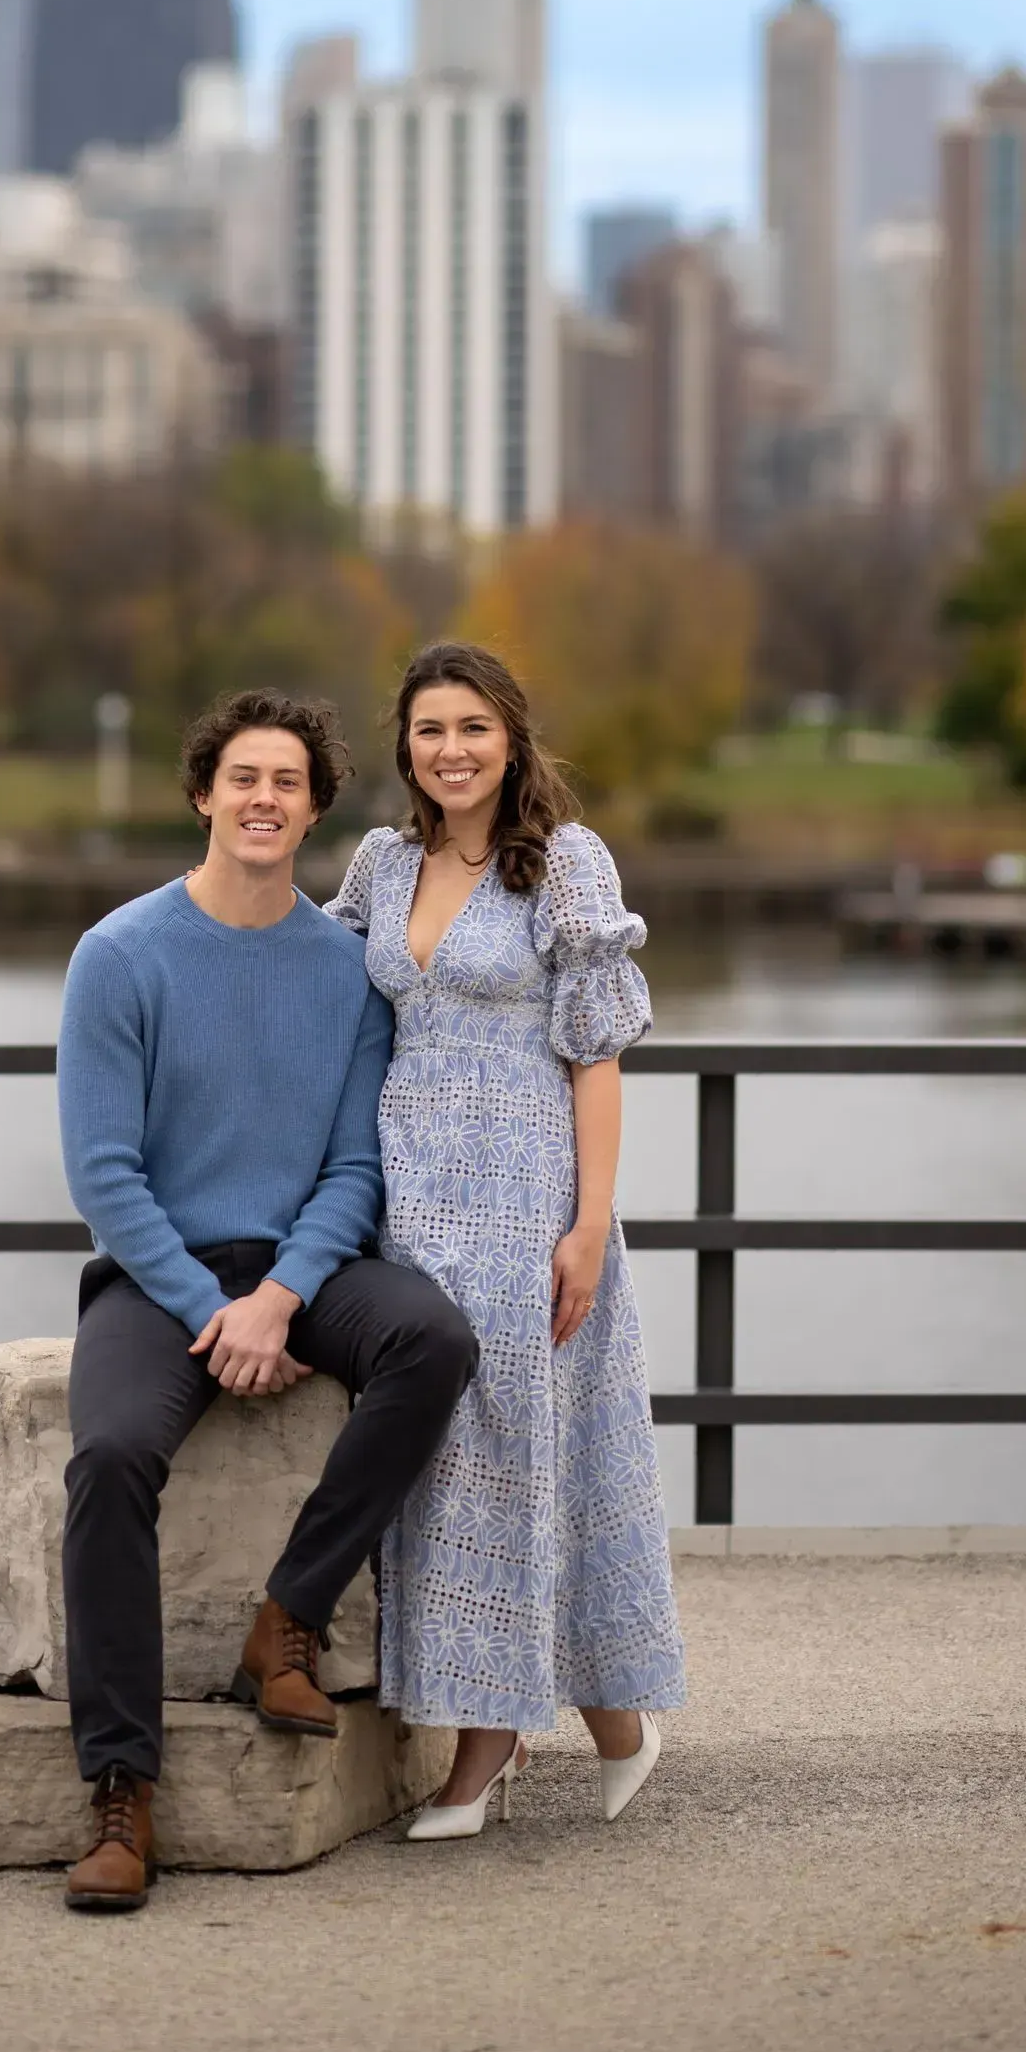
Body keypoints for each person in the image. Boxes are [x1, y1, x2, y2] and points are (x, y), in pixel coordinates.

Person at [54, 684, 479, 1912]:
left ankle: (286, 1619)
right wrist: (213, 1304)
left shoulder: (345, 971)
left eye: (287, 782)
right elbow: (104, 1173)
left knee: (433, 1339)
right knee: (114, 1456)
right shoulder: (119, 956)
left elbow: (355, 1165)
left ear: (313, 811)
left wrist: (283, 1296)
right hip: (155, 1274)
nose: (263, 799)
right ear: (203, 795)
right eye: (243, 777)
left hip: (304, 1265)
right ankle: (122, 1794)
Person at [327, 638, 685, 1838]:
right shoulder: (381, 864)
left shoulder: (564, 865)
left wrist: (589, 1226)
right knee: (439, 1467)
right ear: (405, 747)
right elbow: (316, 993)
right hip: (404, 1199)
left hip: (525, 1200)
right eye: (430, 730)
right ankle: (609, 1721)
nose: (452, 751)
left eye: (474, 728)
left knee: (520, 1459)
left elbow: (598, 1057)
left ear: (513, 738)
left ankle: (486, 1750)